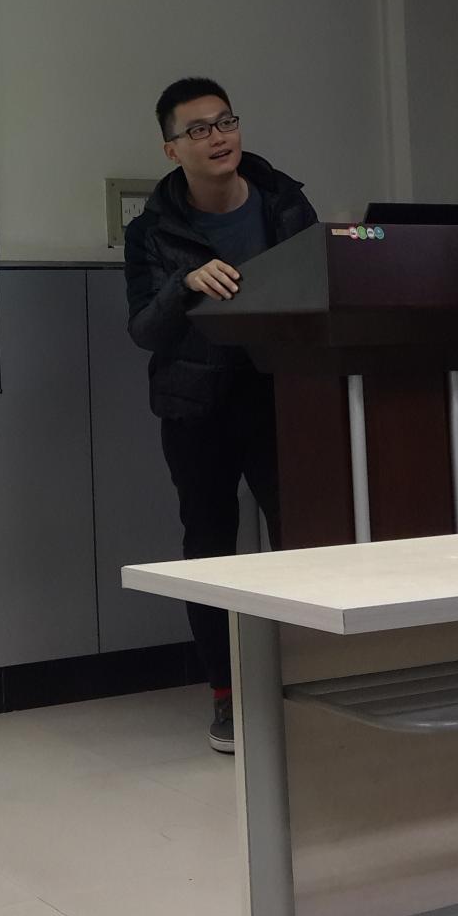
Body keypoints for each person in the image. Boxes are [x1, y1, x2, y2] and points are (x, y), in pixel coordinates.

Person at [123, 77, 317, 753]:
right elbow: (144, 331)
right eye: (198, 130)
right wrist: (184, 286)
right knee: (210, 548)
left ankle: (306, 679)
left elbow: (320, 288)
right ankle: (227, 695)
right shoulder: (151, 231)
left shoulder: (285, 202)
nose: (218, 137)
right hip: (195, 407)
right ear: (172, 149)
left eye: (225, 121)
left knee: (304, 537)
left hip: (280, 395)